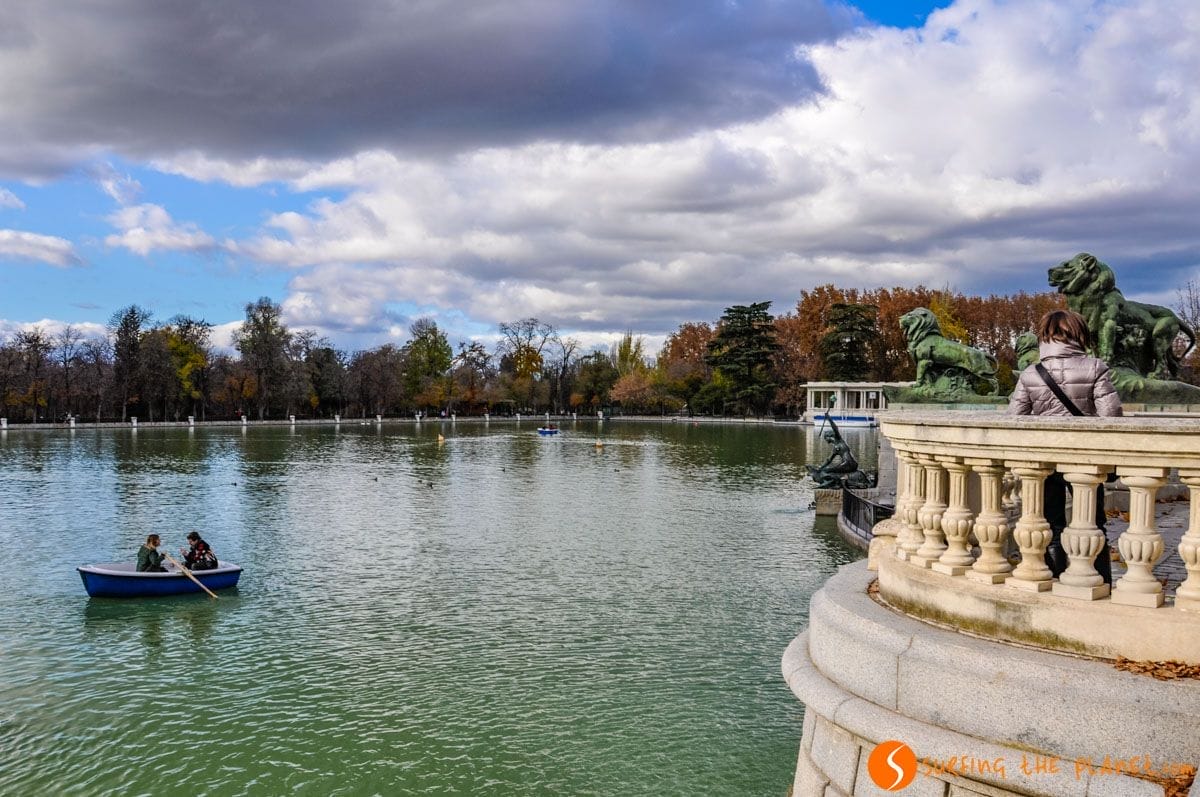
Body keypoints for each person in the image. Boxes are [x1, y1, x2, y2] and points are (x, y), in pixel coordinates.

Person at [1008, 309, 1122, 583]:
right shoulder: (1095, 367)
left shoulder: (1031, 373)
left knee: (1052, 522)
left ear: (1045, 336)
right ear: (1078, 334)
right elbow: (1112, 418)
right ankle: (1099, 579)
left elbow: (1013, 421)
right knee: (1093, 522)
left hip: (1046, 460)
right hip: (1085, 459)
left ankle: (1056, 575)